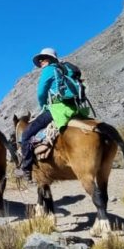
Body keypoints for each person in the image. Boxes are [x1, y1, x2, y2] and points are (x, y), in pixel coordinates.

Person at [14, 47, 91, 182]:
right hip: (75, 109)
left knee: (26, 135)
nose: (41, 62)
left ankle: (25, 169)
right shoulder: (64, 69)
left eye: (43, 59)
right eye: (40, 60)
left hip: (58, 109)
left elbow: (41, 93)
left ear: (49, 59)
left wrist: (44, 105)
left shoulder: (49, 70)